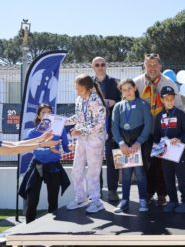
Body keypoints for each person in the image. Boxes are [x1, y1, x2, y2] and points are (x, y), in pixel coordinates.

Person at [134, 53, 183, 206]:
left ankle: (162, 194)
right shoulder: (137, 83)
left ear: (161, 66)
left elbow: (179, 106)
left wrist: (177, 130)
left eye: (155, 65)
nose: (152, 68)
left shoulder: (169, 83)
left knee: (162, 165)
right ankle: (147, 193)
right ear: (144, 66)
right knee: (146, 164)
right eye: (149, 65)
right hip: (143, 132)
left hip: (164, 131)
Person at [19, 104, 71, 223]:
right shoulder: (32, 132)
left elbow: (65, 147)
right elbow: (33, 149)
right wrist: (49, 149)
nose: (47, 115)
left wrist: (70, 147)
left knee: (53, 201)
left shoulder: (60, 129)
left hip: (53, 166)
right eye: (44, 113)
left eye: (49, 112)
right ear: (38, 115)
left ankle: (51, 230)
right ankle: (29, 228)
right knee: (32, 200)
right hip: (36, 165)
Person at [65, 74, 107, 214]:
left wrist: (80, 130)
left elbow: (100, 124)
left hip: (95, 139)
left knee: (93, 171)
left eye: (78, 88)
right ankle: (80, 197)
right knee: (77, 168)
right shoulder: (79, 99)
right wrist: (60, 121)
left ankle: (96, 200)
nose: (76, 90)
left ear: (87, 87)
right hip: (82, 139)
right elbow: (78, 117)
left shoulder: (96, 100)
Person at [111, 79, 152, 213]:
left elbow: (148, 125)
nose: (127, 91)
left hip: (138, 144)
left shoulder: (143, 105)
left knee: (140, 173)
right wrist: (121, 143)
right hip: (123, 145)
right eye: (124, 89)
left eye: (129, 88)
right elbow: (114, 126)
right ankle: (124, 201)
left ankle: (143, 200)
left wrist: (138, 142)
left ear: (135, 88)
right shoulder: (118, 106)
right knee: (126, 174)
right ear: (121, 92)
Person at [153, 86, 185, 213]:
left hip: (178, 152)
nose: (170, 101)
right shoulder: (159, 116)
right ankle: (173, 201)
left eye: (172, 98)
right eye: (167, 98)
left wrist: (180, 139)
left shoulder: (180, 114)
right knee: (168, 177)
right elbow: (156, 134)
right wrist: (157, 145)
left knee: (182, 178)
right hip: (165, 152)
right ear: (162, 100)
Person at [92, 56, 121, 202]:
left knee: (114, 159)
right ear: (93, 67)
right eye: (97, 64)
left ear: (106, 66)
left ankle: (113, 191)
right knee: (94, 160)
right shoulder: (88, 83)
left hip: (113, 128)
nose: (100, 66)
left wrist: (111, 102)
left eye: (102, 64)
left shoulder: (116, 83)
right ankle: (96, 190)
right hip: (93, 130)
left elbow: (123, 103)